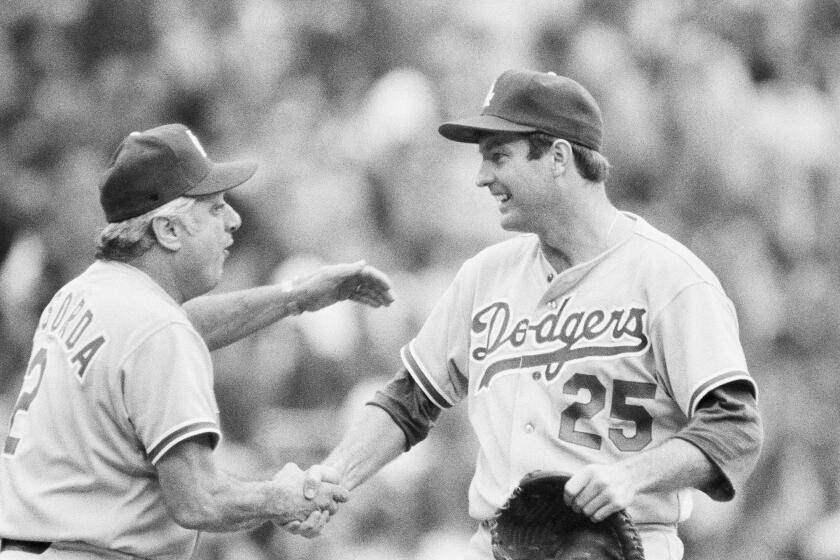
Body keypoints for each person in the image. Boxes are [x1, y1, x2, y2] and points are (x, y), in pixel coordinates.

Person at [293, 70, 764, 560]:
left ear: (558, 157)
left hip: (621, 546)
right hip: (499, 545)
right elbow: (409, 399)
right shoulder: (485, 277)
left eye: (498, 156)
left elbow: (735, 428)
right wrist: (335, 477)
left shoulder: (670, 279)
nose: (481, 177)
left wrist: (633, 475)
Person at [0, 123, 395, 559]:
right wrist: (280, 495)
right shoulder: (155, 330)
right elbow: (199, 500)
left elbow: (178, 327)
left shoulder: (84, 292)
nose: (234, 220)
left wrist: (296, 297)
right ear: (168, 231)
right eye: (214, 208)